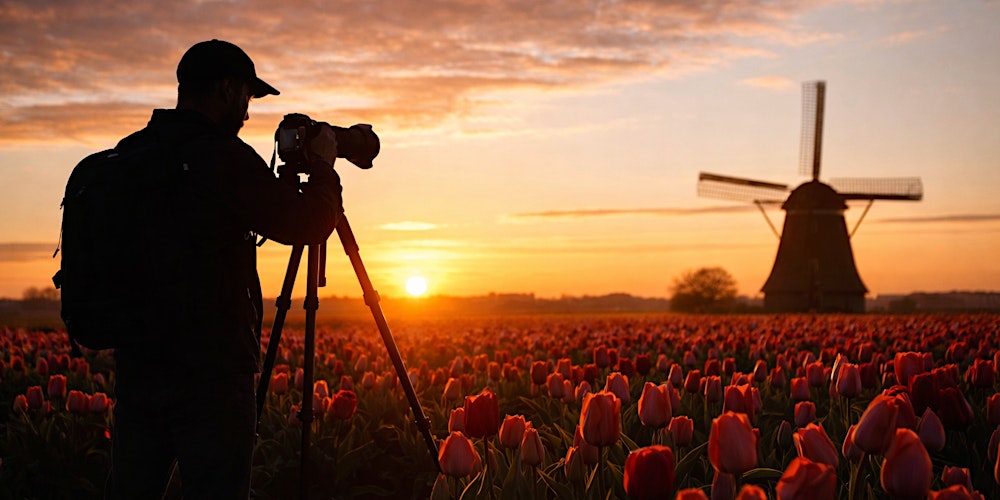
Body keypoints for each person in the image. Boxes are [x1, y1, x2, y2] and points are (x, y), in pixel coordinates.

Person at [104, 40, 342, 499]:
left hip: (139, 368)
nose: (248, 114)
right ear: (228, 89)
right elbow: (307, 224)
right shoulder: (223, 158)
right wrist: (326, 170)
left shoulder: (131, 154)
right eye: (247, 98)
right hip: (211, 376)